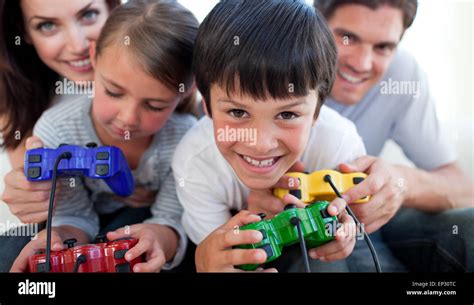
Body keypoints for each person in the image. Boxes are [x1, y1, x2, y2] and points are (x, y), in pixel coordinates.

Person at [249, 0, 474, 272]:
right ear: (315, 24)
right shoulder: (265, 64)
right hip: (296, 229)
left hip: (375, 223)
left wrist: (400, 184)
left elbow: (463, 189)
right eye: (348, 38)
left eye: (383, 47)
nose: (362, 63)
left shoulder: (402, 74)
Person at [172, 0, 364, 272]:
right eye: (238, 112)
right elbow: (222, 256)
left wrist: (348, 234)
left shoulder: (339, 144)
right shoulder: (194, 164)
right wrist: (208, 263)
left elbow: (355, 223)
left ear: (317, 113)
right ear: (208, 108)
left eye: (287, 115)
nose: (261, 144)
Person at [8, 0, 199, 273]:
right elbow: (73, 216)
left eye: (154, 105)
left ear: (187, 90)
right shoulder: (56, 130)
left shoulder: (186, 139)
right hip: (90, 224)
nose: (128, 118)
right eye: (113, 92)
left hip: (145, 223)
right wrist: (60, 240)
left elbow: (171, 218)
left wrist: (160, 238)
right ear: (94, 56)